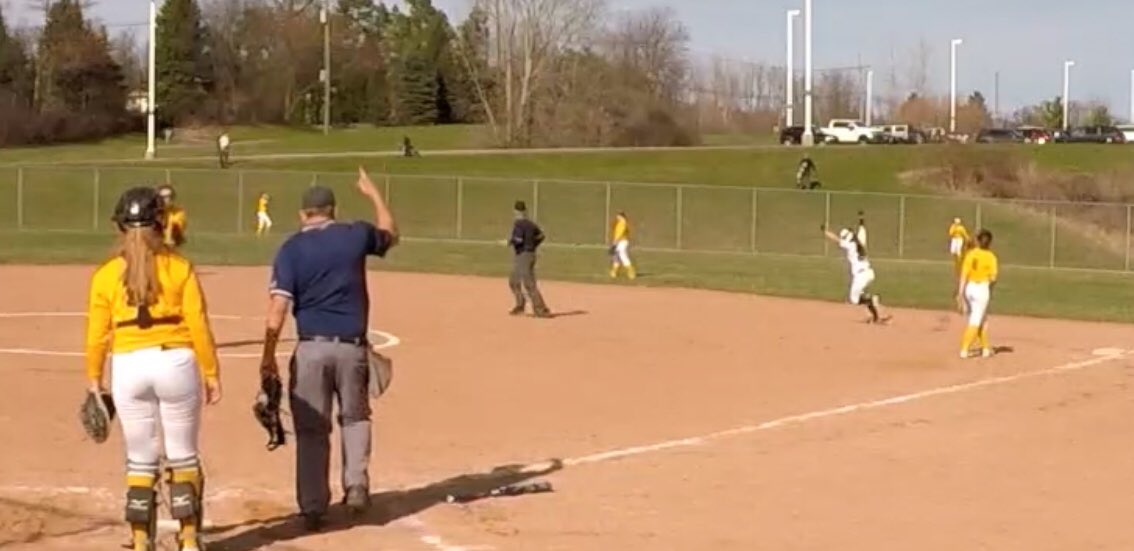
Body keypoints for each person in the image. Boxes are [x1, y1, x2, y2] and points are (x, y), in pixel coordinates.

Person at [259, 167, 399, 531]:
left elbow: (278, 309)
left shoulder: (290, 249)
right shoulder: (354, 235)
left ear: (304, 215)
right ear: (333, 210)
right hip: (351, 349)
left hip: (310, 350)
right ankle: (356, 487)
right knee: (355, 418)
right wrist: (373, 193)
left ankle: (313, 507)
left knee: (311, 430)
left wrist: (268, 355)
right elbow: (391, 233)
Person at [85, 186, 222, 551]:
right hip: (175, 362)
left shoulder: (106, 274)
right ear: (162, 223)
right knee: (182, 454)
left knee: (140, 458)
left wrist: (94, 380)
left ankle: (140, 539)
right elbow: (198, 324)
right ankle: (189, 539)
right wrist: (211, 372)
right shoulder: (179, 266)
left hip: (129, 365)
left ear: (119, 227)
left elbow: (97, 335)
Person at [822, 225, 888, 324]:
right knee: (861, 295)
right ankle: (875, 316)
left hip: (860, 275)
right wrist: (861, 222)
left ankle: (872, 300)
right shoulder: (859, 242)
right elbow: (862, 230)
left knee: (854, 299)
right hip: (869, 273)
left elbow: (836, 239)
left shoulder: (850, 245)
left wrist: (825, 231)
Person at [957, 229, 998, 359]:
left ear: (978, 241)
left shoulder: (971, 254)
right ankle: (964, 348)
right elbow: (993, 279)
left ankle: (985, 349)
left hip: (970, 288)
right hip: (981, 289)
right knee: (976, 320)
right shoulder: (991, 257)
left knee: (982, 319)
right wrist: (989, 291)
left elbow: (964, 274)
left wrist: (960, 293)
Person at [508, 200, 551, 317]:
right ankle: (520, 305)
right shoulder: (530, 224)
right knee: (513, 280)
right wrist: (534, 244)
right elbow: (541, 235)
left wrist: (510, 241)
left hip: (524, 255)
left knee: (529, 283)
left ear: (516, 211)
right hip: (528, 254)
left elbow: (518, 239)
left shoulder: (519, 224)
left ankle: (541, 309)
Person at [157, 184, 187, 248]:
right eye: (163, 197)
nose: (167, 199)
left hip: (168, 248)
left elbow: (177, 230)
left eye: (170, 196)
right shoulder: (151, 212)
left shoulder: (178, 212)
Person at [609, 211, 636, 280]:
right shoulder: (619, 223)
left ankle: (631, 271)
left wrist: (615, 242)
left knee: (622, 255)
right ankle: (614, 271)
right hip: (618, 241)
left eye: (618, 216)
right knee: (615, 256)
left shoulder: (623, 223)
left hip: (622, 241)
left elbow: (619, 234)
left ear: (622, 216)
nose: (617, 217)